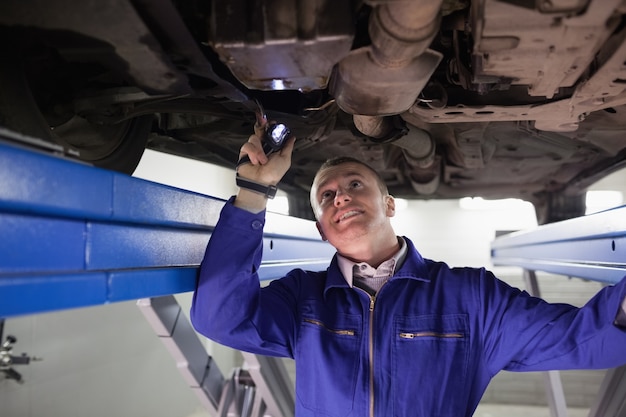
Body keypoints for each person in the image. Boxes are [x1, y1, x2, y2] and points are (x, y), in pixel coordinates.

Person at [190, 120, 626, 417]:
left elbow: (580, 338)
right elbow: (220, 318)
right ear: (322, 230)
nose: (339, 197)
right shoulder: (303, 298)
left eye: (354, 185)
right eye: (326, 197)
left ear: (390, 204)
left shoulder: (470, 298)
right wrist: (253, 191)